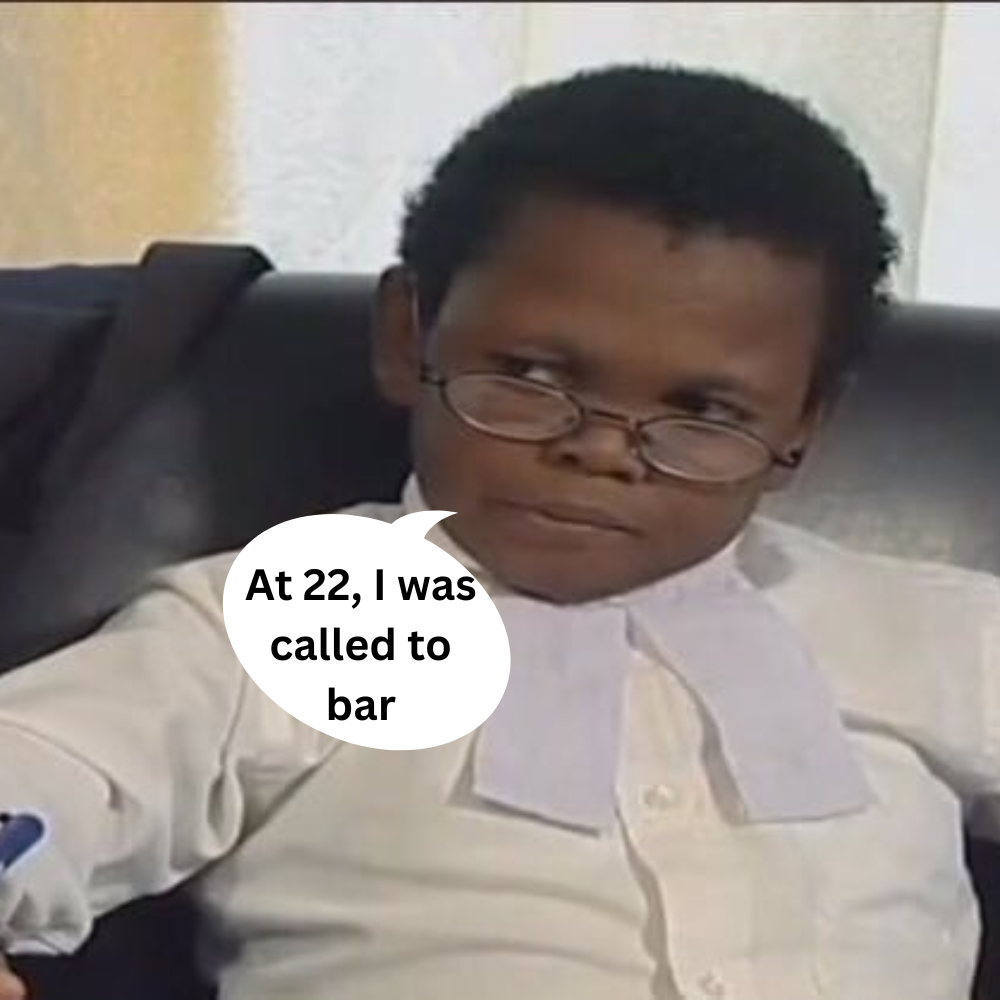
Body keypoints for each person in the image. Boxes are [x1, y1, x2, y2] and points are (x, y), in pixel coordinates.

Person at [1, 64, 998, 1000]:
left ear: (803, 425)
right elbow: (55, 766)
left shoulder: (931, 632)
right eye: (531, 376)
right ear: (409, 336)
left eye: (706, 411)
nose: (601, 451)